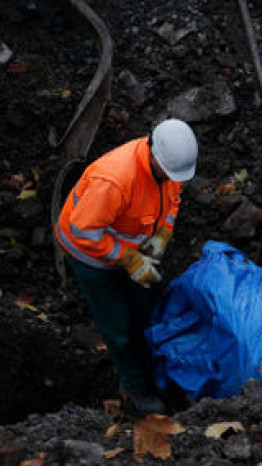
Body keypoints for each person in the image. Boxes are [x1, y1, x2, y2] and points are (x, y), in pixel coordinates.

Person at [55, 118, 198, 415]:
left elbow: (173, 199)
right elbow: (84, 232)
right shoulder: (115, 180)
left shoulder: (168, 169)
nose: (176, 179)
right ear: (153, 154)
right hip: (89, 256)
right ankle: (135, 388)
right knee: (118, 325)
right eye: (170, 173)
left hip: (128, 246)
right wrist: (129, 259)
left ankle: (156, 373)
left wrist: (163, 233)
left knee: (143, 314)